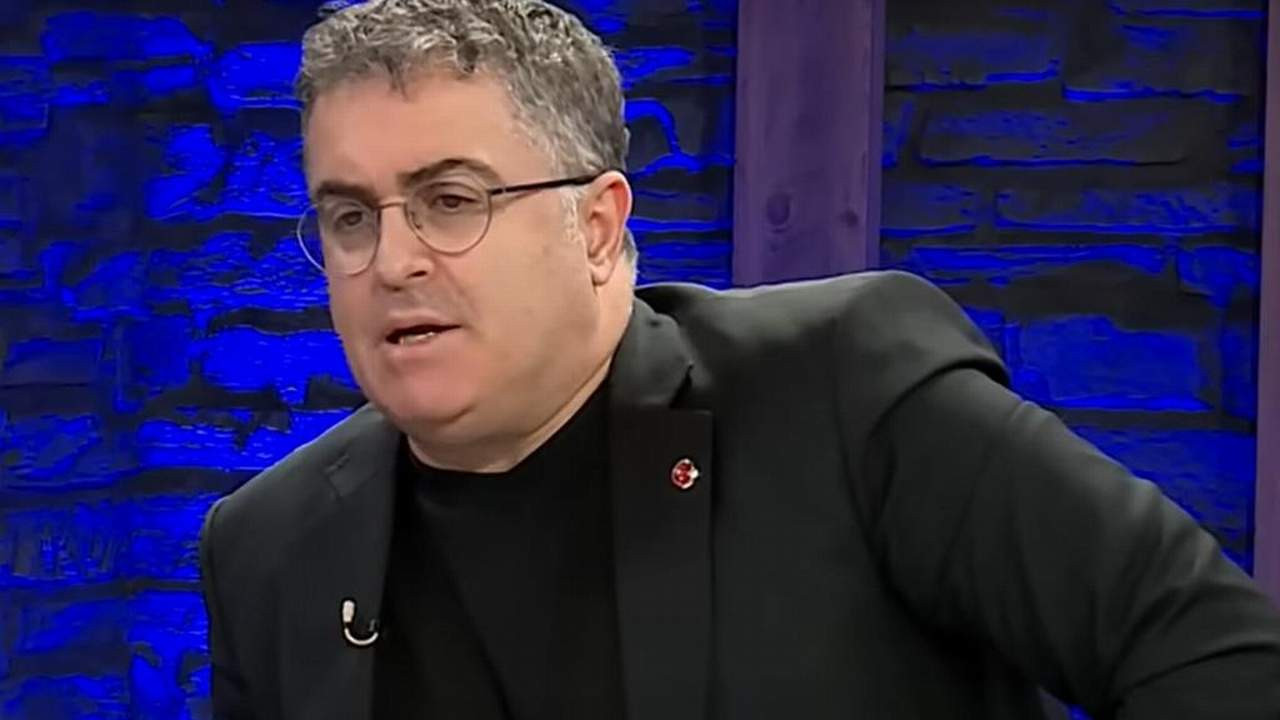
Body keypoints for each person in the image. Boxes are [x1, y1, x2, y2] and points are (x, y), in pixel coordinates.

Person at [197, 0, 1280, 718]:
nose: (391, 260)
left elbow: (1219, 661)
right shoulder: (271, 549)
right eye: (350, 216)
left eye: (449, 200)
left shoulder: (845, 393)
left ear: (595, 227)